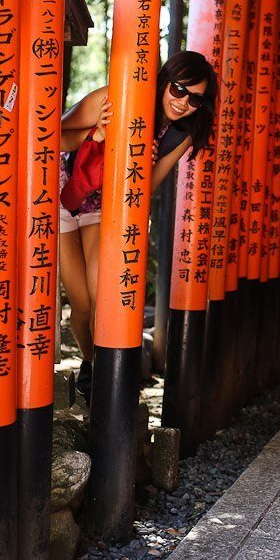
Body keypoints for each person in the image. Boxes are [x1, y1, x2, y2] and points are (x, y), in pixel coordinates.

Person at [59, 50, 218, 402]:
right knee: (81, 304)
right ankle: (89, 360)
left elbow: (148, 189)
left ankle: (100, 373)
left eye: (195, 98)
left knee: (101, 295)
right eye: (179, 90)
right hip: (64, 189)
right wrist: (96, 134)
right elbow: (49, 137)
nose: (183, 103)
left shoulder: (180, 135)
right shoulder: (114, 97)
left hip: (106, 204)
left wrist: (137, 168)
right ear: (165, 81)